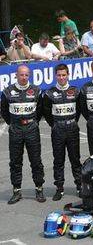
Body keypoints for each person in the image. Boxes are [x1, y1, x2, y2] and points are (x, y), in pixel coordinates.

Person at [0, 65, 45, 204]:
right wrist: (14, 123)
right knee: (15, 162)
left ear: (29, 76)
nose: (24, 77)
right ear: (16, 75)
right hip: (15, 129)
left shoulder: (36, 90)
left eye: (26, 75)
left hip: (32, 128)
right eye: (21, 75)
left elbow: (40, 110)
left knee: (36, 161)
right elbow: (4, 112)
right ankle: (16, 191)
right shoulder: (7, 91)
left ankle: (39, 189)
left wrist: (32, 122)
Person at [43, 64, 82, 201]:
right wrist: (54, 125)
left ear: (68, 75)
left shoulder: (76, 91)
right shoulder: (49, 93)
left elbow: (79, 110)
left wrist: (72, 122)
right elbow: (46, 112)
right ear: (55, 76)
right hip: (57, 129)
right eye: (59, 75)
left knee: (75, 159)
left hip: (72, 128)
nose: (61, 78)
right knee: (58, 160)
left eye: (63, 75)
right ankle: (59, 188)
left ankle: (79, 186)